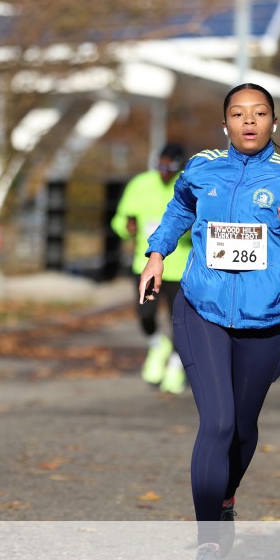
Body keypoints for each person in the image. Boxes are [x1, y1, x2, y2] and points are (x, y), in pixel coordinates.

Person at [139, 83, 280, 560]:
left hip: (264, 322)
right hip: (200, 311)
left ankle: (225, 498)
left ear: (274, 122)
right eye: (238, 113)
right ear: (224, 123)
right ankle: (208, 549)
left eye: (260, 113)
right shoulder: (202, 168)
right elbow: (179, 209)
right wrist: (157, 253)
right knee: (219, 423)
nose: (249, 121)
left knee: (243, 429)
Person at [110, 143, 192, 394]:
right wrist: (126, 227)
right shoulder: (140, 184)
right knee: (145, 314)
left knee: (180, 322)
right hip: (145, 264)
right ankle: (157, 344)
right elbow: (119, 220)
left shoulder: (189, 185)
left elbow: (202, 225)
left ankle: (176, 364)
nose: (164, 171)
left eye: (170, 167)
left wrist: (189, 232)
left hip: (180, 266)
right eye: (160, 165)